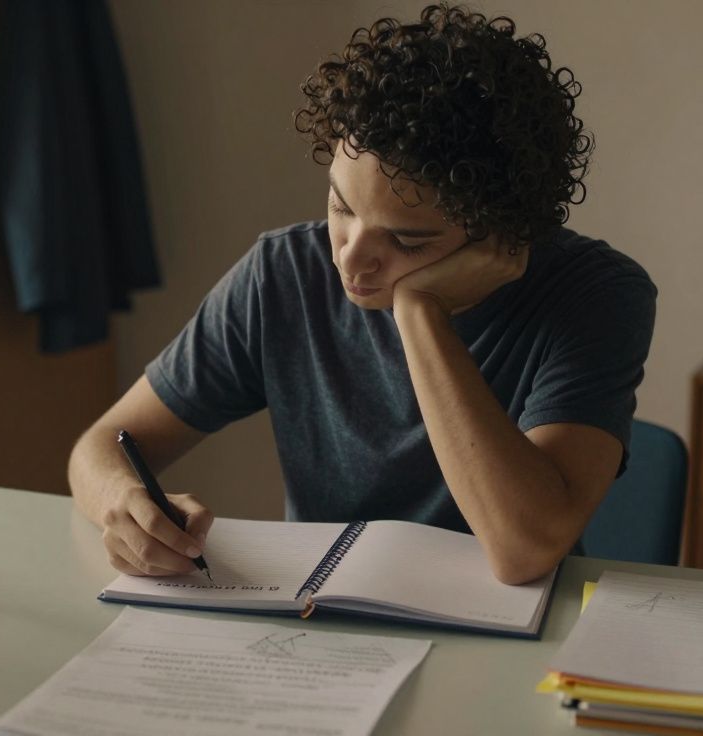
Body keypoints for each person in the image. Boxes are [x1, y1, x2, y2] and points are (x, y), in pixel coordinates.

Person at [68, 4, 656, 585]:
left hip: (518, 645)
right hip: (321, 629)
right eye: (341, 207)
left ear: (502, 234)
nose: (349, 257)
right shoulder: (283, 274)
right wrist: (123, 500)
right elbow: (97, 448)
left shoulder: (597, 295)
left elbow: (524, 551)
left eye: (406, 239)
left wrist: (420, 314)